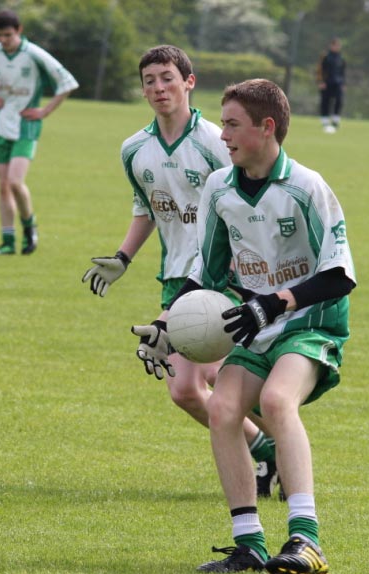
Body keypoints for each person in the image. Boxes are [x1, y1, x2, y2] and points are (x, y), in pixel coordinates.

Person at [132, 78, 355, 574]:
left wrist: (275, 302)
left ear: (266, 127)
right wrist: (166, 324)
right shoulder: (220, 188)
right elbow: (205, 276)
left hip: (310, 324)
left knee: (276, 402)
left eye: (232, 124)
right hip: (257, 327)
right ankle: (248, 545)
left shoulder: (305, 187)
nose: (223, 135)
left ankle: (306, 540)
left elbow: (340, 274)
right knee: (225, 409)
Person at [82, 45, 280, 497]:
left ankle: (281, 448)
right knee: (187, 392)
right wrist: (123, 257)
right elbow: (147, 207)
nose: (158, 88)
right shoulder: (134, 148)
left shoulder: (216, 141)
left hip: (223, 276)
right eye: (149, 80)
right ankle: (269, 450)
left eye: (167, 77)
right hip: (177, 277)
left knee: (216, 378)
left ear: (188, 82)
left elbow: (249, 202)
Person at [0, 9, 79, 255]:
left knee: (15, 182)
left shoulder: (34, 55)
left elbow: (67, 82)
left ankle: (29, 227)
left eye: (7, 35)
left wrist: (45, 111)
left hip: (26, 124)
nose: (3, 40)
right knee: (3, 186)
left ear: (19, 31)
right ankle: (7, 241)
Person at [317, 37, 346, 133]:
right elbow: (320, 70)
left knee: (339, 101)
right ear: (331, 45)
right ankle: (324, 121)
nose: (337, 47)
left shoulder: (341, 57)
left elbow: (342, 71)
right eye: (335, 45)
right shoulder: (325, 56)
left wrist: (343, 83)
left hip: (337, 83)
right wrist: (321, 81)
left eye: (338, 45)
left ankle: (335, 120)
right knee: (325, 102)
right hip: (326, 83)